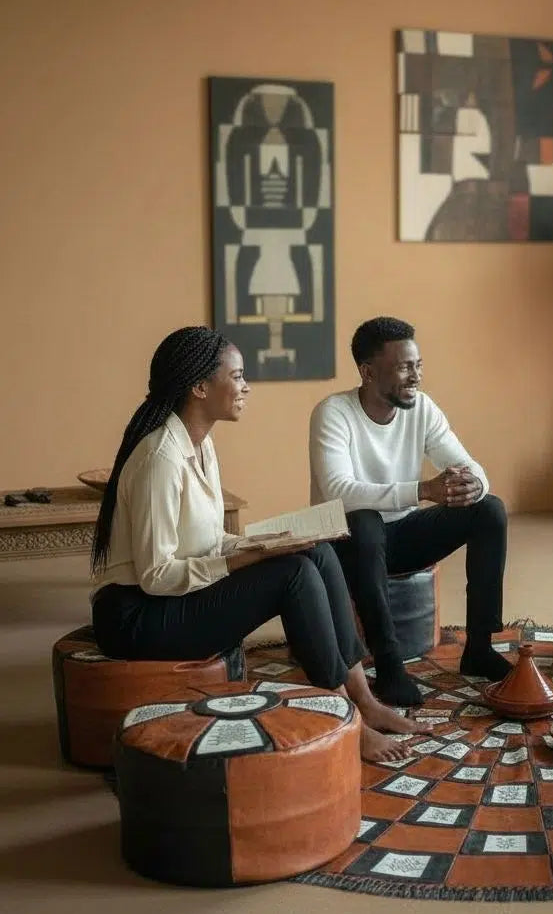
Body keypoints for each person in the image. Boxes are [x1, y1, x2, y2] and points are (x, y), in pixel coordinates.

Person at [89, 325, 429, 763]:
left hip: (172, 596)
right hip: (137, 616)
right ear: (199, 387)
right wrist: (253, 556)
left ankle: (364, 699)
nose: (246, 387)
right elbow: (156, 576)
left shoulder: (200, 444)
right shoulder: (161, 459)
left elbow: (207, 540)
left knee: (315, 551)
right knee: (293, 576)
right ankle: (347, 719)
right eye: (237, 376)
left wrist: (270, 541)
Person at [309, 316, 511, 707]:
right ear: (368, 372)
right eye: (404, 367)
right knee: (365, 520)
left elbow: (470, 465)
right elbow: (338, 491)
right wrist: (423, 490)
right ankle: (388, 667)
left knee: (489, 510)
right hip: (345, 543)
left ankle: (480, 648)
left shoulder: (422, 408)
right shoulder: (333, 413)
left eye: (418, 365)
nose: (416, 376)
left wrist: (475, 484)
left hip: (400, 535)